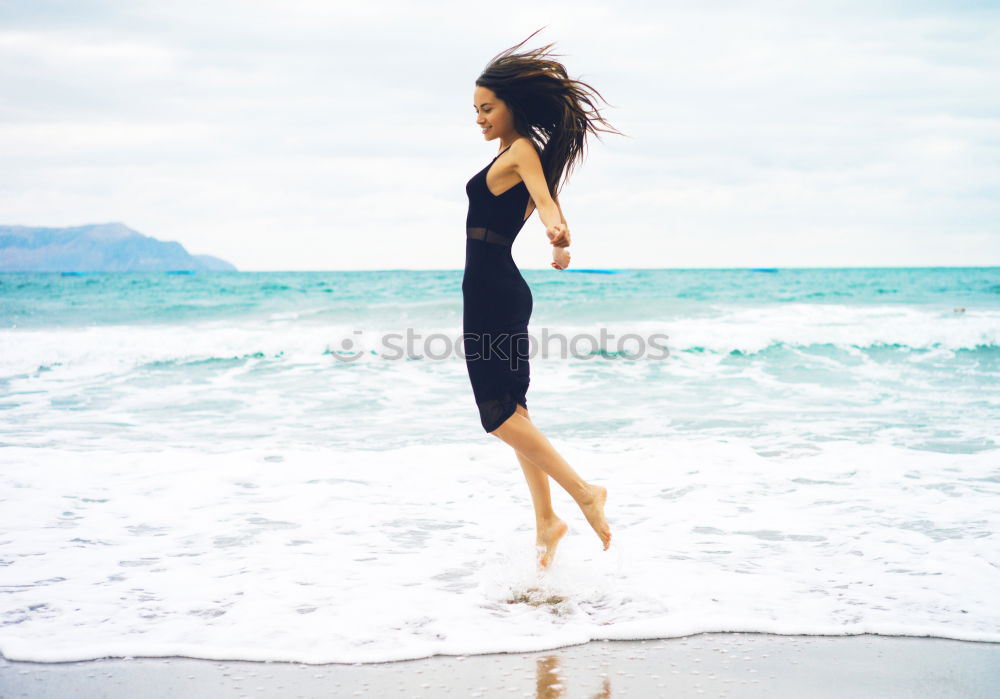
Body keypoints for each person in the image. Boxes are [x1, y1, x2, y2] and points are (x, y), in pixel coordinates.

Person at [462, 28, 625, 568]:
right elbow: (550, 204)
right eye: (477, 109)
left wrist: (556, 228)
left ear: (511, 105)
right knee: (516, 411)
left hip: (492, 292)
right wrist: (559, 239)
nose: (479, 117)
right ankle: (546, 521)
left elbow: (545, 202)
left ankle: (583, 494)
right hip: (497, 290)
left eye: (487, 107)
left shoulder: (522, 151)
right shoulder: (515, 153)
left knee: (497, 415)